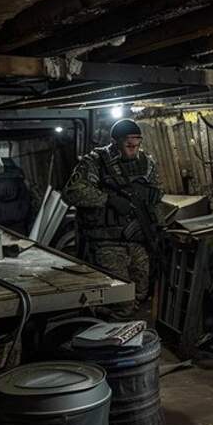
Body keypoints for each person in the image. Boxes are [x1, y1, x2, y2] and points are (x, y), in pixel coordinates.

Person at [63, 118, 163, 318]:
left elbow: (156, 194)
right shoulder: (95, 162)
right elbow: (72, 193)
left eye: (137, 144)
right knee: (120, 300)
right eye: (129, 145)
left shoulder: (147, 163)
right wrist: (108, 199)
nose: (134, 149)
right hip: (106, 243)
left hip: (137, 241)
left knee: (140, 293)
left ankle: (122, 326)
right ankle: (107, 328)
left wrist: (156, 203)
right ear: (116, 143)